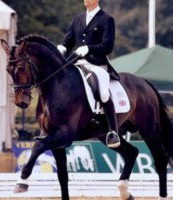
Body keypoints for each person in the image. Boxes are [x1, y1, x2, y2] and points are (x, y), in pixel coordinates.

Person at [57, 0, 121, 148]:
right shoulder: (77, 18)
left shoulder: (106, 19)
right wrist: (62, 47)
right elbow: (69, 40)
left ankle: (113, 131)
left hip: (97, 64)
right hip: (77, 62)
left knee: (104, 93)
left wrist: (89, 49)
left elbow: (108, 46)